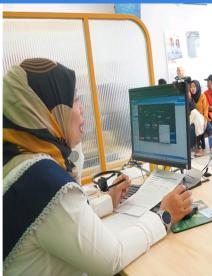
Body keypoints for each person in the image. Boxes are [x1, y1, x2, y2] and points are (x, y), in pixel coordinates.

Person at [3, 58, 193, 275]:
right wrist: (164, 215)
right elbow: (111, 259)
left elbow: (57, 221)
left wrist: (107, 202)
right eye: (74, 100)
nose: (82, 109)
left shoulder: (17, 161)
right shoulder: (40, 178)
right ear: (48, 110)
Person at [188, 80, 208, 157]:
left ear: (198, 87)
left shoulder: (202, 96)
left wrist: (205, 120)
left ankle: (203, 147)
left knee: (207, 127)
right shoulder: (190, 97)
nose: (192, 88)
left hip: (203, 118)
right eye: (191, 87)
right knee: (198, 121)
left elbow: (206, 109)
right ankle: (199, 147)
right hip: (194, 118)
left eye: (194, 86)